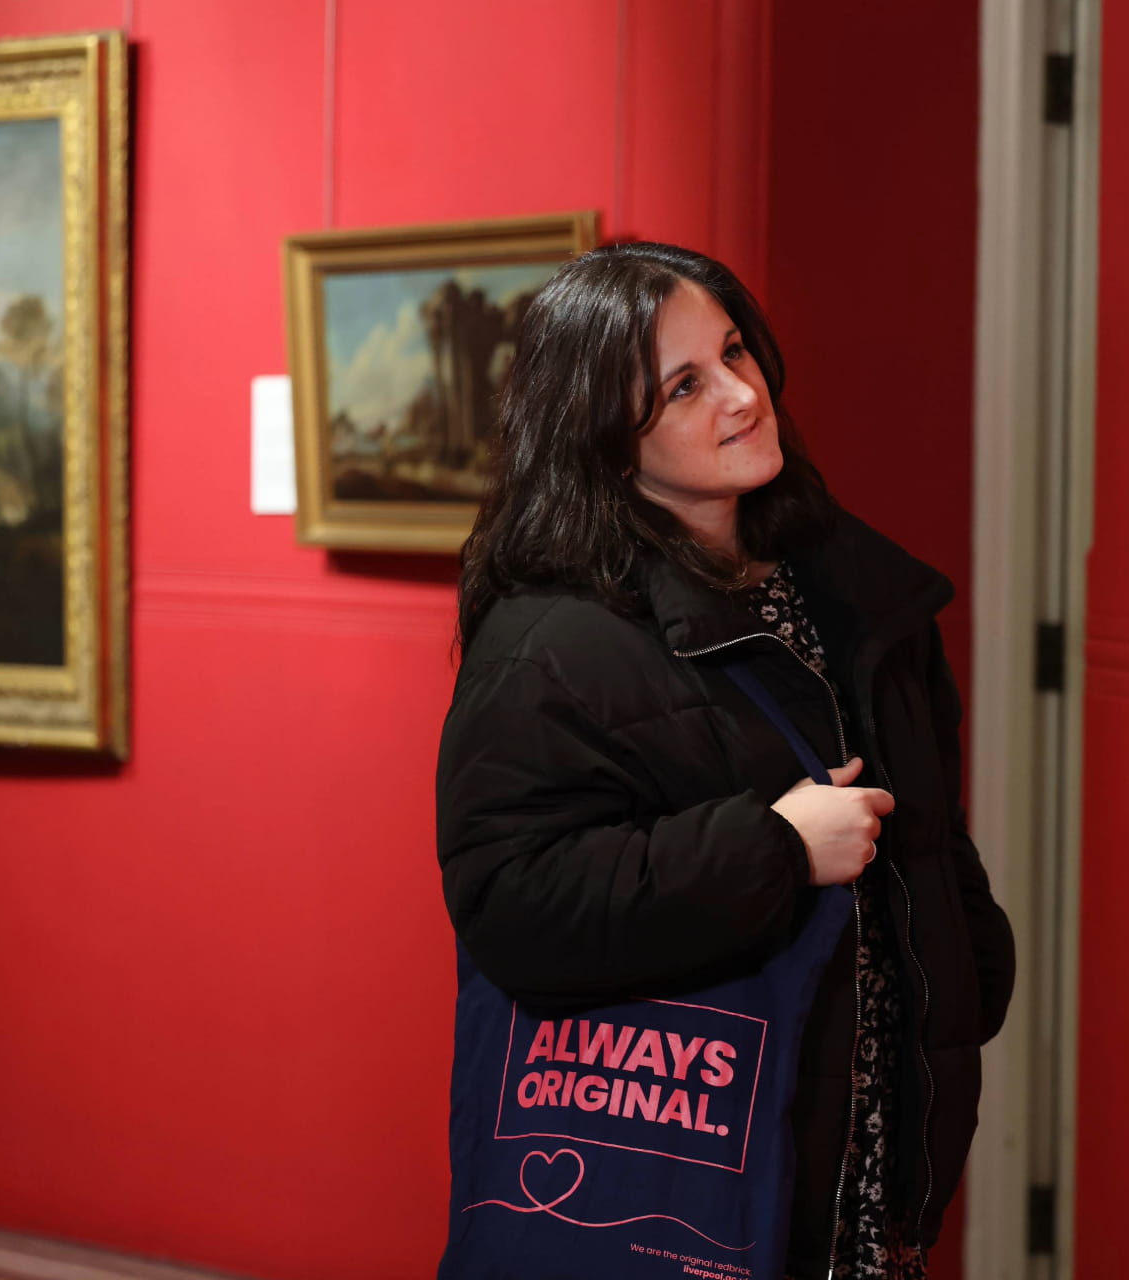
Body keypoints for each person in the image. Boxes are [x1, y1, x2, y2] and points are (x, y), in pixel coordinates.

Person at [436, 241, 1017, 1279]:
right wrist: (774, 848)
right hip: (682, 1173)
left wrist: (966, 968)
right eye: (685, 386)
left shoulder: (859, 595)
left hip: (867, 1161)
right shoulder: (551, 641)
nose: (744, 395)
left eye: (736, 350)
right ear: (606, 441)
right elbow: (515, 904)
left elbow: (930, 830)